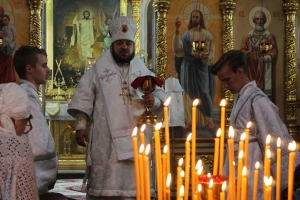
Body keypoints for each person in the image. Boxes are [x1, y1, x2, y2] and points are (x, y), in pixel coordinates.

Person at [68, 16, 166, 199]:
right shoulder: (97, 70)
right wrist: (81, 126)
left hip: (137, 135)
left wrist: (156, 101)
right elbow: (83, 97)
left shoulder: (144, 72)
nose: (124, 47)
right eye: (119, 43)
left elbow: (162, 95)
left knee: (136, 189)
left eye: (128, 43)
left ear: (133, 46)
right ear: (112, 45)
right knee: (106, 188)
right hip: (106, 138)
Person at [211, 49, 300, 200]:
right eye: (222, 81)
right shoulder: (241, 97)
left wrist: (288, 181)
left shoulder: (257, 100)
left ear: (240, 72)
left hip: (254, 173)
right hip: (238, 170)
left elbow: (275, 141)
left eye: (227, 79)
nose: (225, 85)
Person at [13, 45, 58, 195]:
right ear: (29, 68)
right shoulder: (25, 98)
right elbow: (39, 143)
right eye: (44, 65)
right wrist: (50, 172)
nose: (48, 70)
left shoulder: (22, 94)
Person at [172, 10, 216, 132]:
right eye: (192, 17)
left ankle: (208, 118)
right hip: (188, 66)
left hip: (201, 66)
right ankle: (189, 119)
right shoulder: (187, 34)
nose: (194, 19)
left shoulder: (207, 35)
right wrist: (176, 30)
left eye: (196, 17)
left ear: (201, 18)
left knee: (204, 91)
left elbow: (211, 50)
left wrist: (206, 56)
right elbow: (178, 47)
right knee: (188, 93)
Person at [0, 83, 39, 200]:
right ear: (16, 120)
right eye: (26, 122)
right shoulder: (18, 146)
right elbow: (26, 196)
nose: (24, 130)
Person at [240, 10, 278, 101]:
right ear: (254, 20)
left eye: (261, 19)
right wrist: (249, 51)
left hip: (264, 72)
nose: (259, 21)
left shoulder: (269, 36)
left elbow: (274, 51)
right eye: (257, 19)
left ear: (265, 21)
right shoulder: (247, 36)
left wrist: (264, 58)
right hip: (251, 68)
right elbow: (242, 51)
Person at [0, 9, 16, 84]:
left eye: (1, 16)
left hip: (5, 54)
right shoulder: (3, 28)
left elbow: (13, 37)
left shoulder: (9, 27)